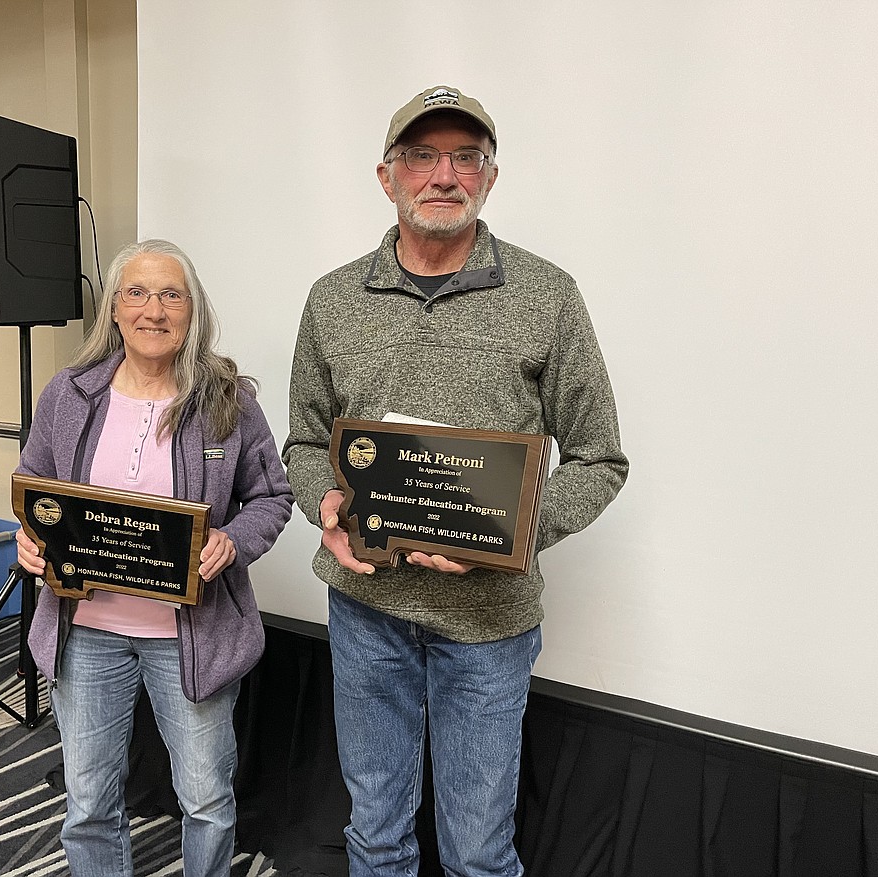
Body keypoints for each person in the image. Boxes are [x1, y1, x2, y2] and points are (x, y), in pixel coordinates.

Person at [282, 85, 629, 876]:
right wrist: (325, 504)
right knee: (375, 834)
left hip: (489, 623)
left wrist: (516, 528)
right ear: (387, 175)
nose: (444, 174)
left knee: (477, 851)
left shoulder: (547, 296)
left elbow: (600, 458)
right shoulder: (334, 299)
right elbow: (304, 441)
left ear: (489, 178)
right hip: (365, 608)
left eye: (465, 157)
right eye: (422, 156)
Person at [17, 239, 293, 877]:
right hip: (85, 634)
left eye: (172, 294)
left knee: (206, 801)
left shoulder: (228, 400)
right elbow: (34, 482)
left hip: (189, 638)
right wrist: (33, 538)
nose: (154, 309)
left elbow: (272, 497)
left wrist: (232, 540)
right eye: (136, 292)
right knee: (87, 801)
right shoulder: (70, 393)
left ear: (193, 310)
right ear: (114, 308)